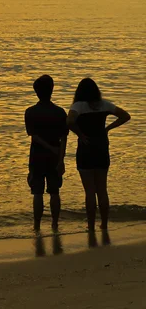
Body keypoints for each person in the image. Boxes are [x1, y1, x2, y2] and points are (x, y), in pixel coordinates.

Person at [67, 78, 131, 232]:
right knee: (102, 189)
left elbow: (69, 122)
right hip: (102, 147)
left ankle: (90, 226)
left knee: (89, 191)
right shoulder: (104, 105)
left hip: (86, 148)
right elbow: (125, 116)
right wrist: (107, 129)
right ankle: (104, 224)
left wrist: (80, 134)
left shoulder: (78, 106)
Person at [25, 75, 68, 231]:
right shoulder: (60, 112)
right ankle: (55, 224)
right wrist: (61, 158)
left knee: (37, 193)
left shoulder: (30, 112)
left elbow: (34, 136)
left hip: (37, 156)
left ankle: (37, 225)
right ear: (52, 90)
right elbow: (64, 138)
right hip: (54, 158)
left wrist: (51, 149)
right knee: (54, 192)